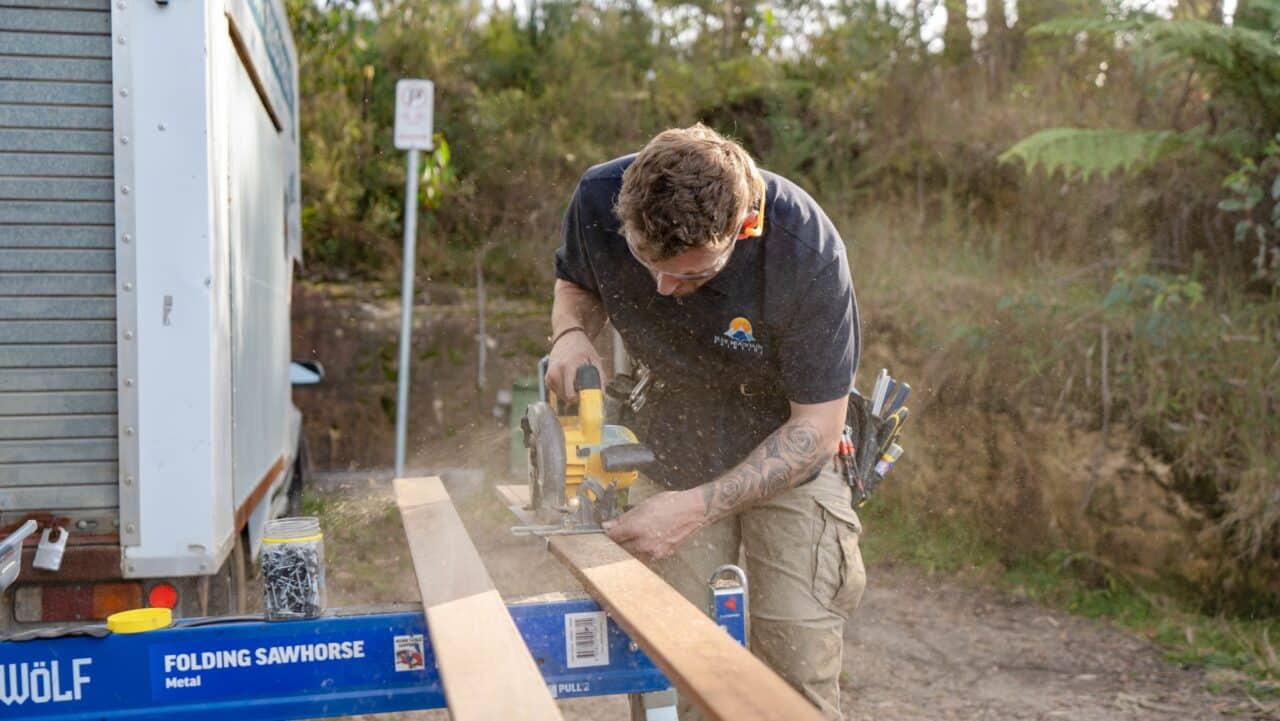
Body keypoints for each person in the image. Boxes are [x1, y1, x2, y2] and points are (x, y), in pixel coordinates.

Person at [547, 123, 865, 720]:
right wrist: (569, 334)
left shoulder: (805, 251)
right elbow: (576, 282)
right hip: (669, 435)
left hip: (788, 446)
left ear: (745, 227)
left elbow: (816, 429)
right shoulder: (597, 198)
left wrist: (694, 509)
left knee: (793, 662)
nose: (665, 290)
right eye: (648, 264)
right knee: (673, 659)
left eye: (693, 275)